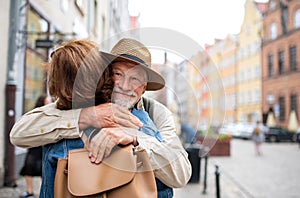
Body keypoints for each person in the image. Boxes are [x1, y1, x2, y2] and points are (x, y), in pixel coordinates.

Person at [10, 38, 192, 197]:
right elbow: (19, 134)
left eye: (135, 79)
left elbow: (181, 174)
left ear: (144, 88)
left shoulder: (156, 113)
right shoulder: (73, 104)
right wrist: (84, 117)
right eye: (118, 74)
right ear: (105, 75)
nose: (124, 86)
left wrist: (137, 140)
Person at [19, 94, 52, 198]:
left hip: (45, 144)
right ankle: (29, 191)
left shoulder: (51, 114)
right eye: (47, 101)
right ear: (42, 102)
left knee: (45, 168)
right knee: (29, 167)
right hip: (35, 144)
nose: (49, 103)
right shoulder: (36, 114)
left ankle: (45, 191)